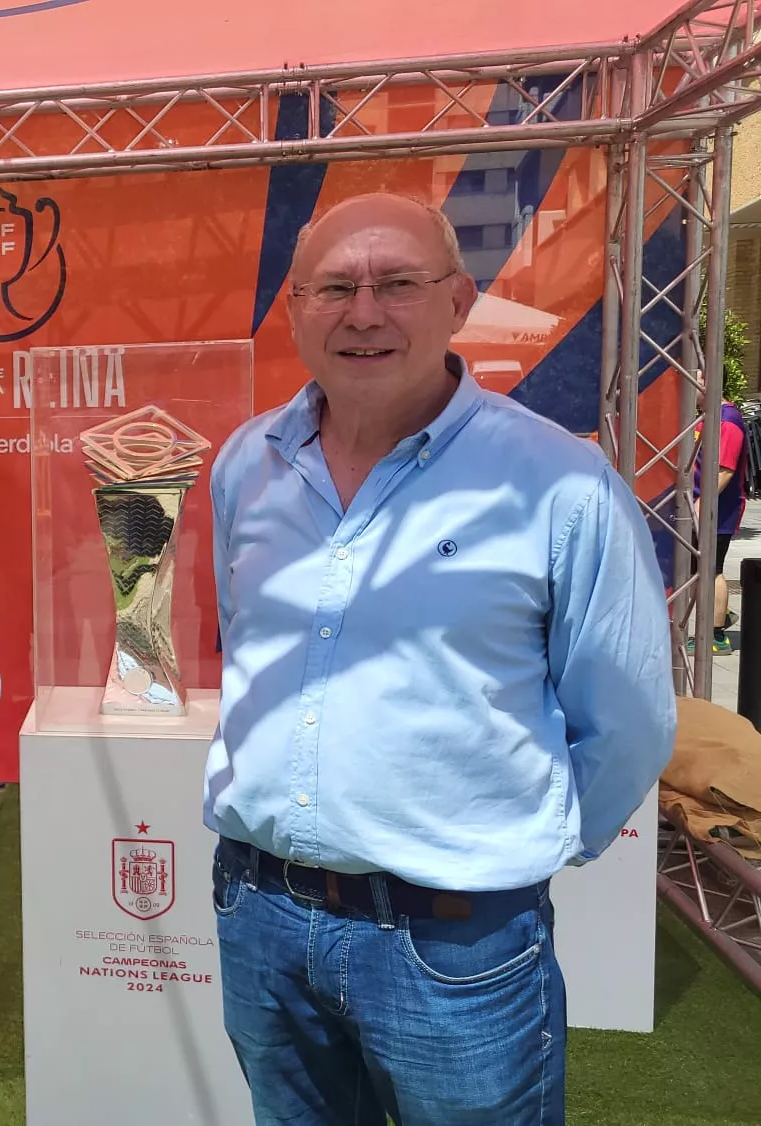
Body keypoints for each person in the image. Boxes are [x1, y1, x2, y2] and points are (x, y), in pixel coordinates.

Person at [204, 193, 676, 1125]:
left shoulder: (557, 484)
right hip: (262, 916)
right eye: (334, 287)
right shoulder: (244, 466)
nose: (365, 313)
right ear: (294, 308)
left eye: (399, 285)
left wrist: (513, 846)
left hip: (455, 941)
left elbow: (627, 717)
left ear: (459, 301)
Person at [694, 397, 747, 653]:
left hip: (718, 511)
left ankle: (715, 636)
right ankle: (721, 612)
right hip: (702, 507)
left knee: (711, 569)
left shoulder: (727, 421)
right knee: (698, 569)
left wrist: (702, 502)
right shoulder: (708, 417)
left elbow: (725, 469)